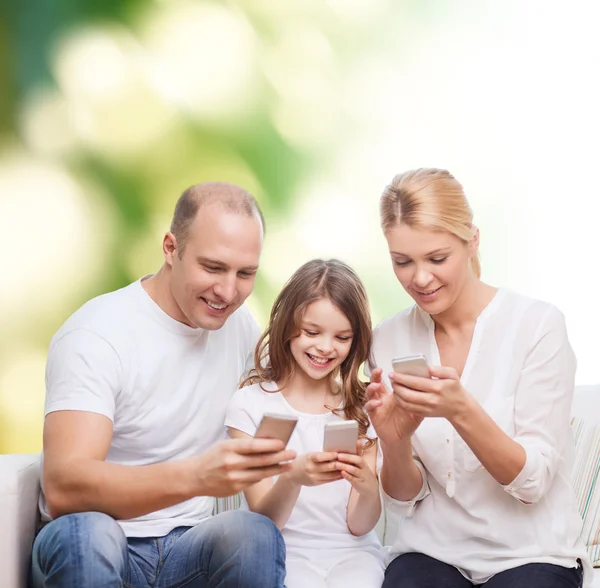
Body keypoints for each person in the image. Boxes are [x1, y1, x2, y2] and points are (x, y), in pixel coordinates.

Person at [30, 182, 296, 588]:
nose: (228, 292)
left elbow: (299, 389)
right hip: (97, 542)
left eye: (245, 274)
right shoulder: (96, 333)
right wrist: (197, 477)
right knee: (88, 534)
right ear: (171, 248)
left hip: (186, 547)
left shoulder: (239, 327)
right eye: (212, 267)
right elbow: (66, 487)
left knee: (253, 536)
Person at [366, 168, 591, 588]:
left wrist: (460, 409)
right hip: (432, 553)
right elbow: (403, 499)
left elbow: (533, 482)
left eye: (437, 258)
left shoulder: (537, 326)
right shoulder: (388, 339)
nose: (420, 278)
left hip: (531, 554)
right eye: (402, 262)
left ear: (472, 241)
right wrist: (394, 441)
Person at [225, 259, 386, 588]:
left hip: (354, 555)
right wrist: (294, 478)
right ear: (287, 327)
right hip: (283, 553)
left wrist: (368, 488)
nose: (325, 347)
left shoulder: (363, 407)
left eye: (342, 337)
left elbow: (359, 525)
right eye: (312, 332)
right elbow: (265, 523)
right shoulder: (251, 404)